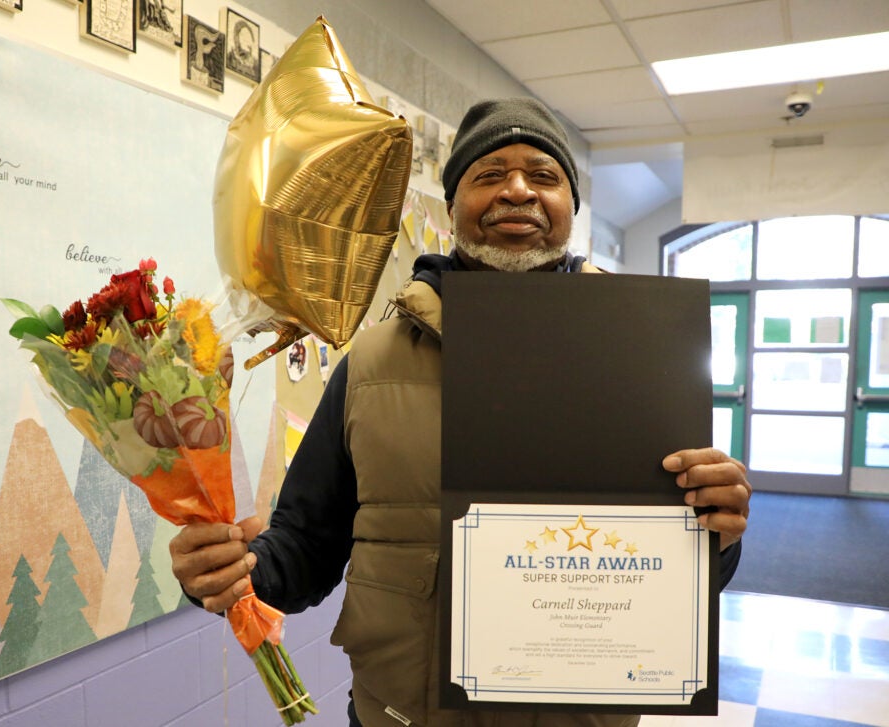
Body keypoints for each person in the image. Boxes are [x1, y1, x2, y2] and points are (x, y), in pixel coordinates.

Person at [171, 98, 752, 727]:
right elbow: (307, 548)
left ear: (571, 210)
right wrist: (237, 569)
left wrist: (716, 536)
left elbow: (673, 569)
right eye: (489, 173)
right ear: (451, 208)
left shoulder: (640, 354)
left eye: (544, 174)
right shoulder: (372, 361)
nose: (519, 189)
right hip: (403, 715)